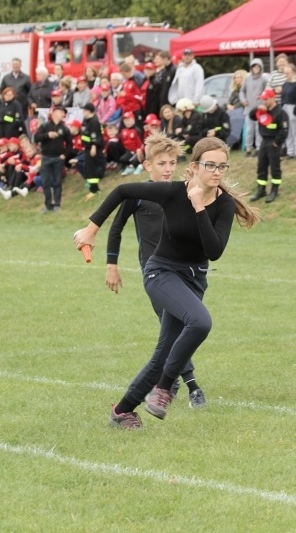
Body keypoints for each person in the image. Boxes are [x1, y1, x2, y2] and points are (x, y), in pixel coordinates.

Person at [73, 136, 260, 429]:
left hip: (194, 279)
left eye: (222, 166)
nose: (217, 172)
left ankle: (122, 412)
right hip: (160, 272)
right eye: (210, 165)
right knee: (200, 322)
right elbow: (122, 191)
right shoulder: (172, 192)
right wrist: (91, 228)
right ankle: (164, 388)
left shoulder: (222, 204)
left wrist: (199, 207)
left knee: (163, 354)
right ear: (196, 167)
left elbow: (214, 251)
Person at [104, 132, 208, 406]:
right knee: (177, 325)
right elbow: (116, 229)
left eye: (172, 163)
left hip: (185, 272)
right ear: (148, 164)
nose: (168, 168)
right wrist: (111, 265)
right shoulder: (137, 196)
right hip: (156, 274)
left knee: (180, 327)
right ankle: (192, 386)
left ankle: (172, 381)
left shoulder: (182, 193)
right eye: (162, 163)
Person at [249, 88, 288, 203]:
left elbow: (284, 130)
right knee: (261, 166)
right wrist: (257, 108)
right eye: (262, 99)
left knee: (275, 167)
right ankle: (261, 190)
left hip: (274, 143)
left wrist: (276, 143)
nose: (264, 101)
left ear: (272, 98)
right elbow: (252, 116)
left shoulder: (281, 113)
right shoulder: (263, 110)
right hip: (264, 142)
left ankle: (274, 191)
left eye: (266, 99)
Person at [34, 106, 72, 212]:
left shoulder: (64, 128)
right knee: (46, 182)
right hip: (46, 157)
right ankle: (48, 205)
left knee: (57, 182)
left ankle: (57, 204)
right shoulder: (45, 126)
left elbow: (70, 144)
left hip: (58, 159)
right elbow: (36, 137)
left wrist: (65, 155)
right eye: (61, 112)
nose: (62, 114)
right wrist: (47, 135)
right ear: (54, 113)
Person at [240, 58, 268, 157]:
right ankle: (248, 149)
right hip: (249, 109)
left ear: (261, 67)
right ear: (251, 68)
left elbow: (267, 92)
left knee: (258, 129)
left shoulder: (264, 79)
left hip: (260, 109)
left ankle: (258, 148)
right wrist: (243, 100)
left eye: (258, 66)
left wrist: (264, 102)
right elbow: (242, 91)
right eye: (254, 66)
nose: (256, 68)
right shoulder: (247, 78)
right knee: (249, 130)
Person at [80, 102, 106, 199]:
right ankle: (94, 189)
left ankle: (94, 190)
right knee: (89, 168)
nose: (83, 112)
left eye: (85, 110)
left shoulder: (93, 122)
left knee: (92, 169)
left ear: (88, 111)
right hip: (88, 148)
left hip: (92, 148)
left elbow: (95, 136)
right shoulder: (88, 121)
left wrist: (93, 147)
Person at [281, 64, 296, 159]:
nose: (286, 74)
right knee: (288, 131)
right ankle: (290, 152)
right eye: (285, 73)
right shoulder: (285, 84)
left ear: (293, 73)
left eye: (288, 72)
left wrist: (295, 111)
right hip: (285, 108)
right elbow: (283, 98)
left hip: (293, 108)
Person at [118, 111, 145, 176]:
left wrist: (140, 150)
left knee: (137, 158)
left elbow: (141, 143)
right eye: (125, 121)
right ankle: (130, 165)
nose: (127, 122)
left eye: (129, 120)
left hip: (137, 151)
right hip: (129, 151)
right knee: (122, 159)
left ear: (133, 120)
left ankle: (135, 166)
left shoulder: (137, 130)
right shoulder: (123, 131)